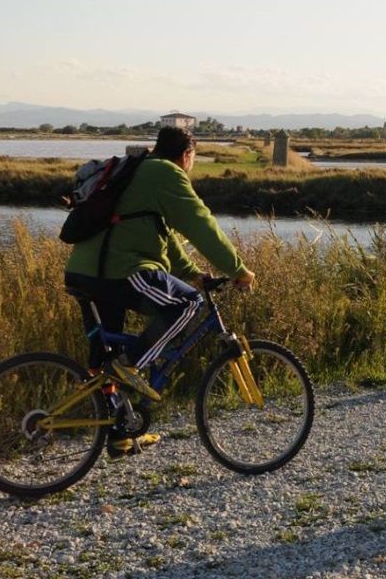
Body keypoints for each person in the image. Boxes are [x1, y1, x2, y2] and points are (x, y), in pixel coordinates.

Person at [63, 126, 255, 456]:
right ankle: (133, 365)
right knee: (188, 304)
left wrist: (193, 273)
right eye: (193, 158)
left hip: (84, 272)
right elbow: (200, 223)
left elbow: (162, 235)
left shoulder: (139, 171)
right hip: (120, 271)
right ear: (187, 156)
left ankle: (120, 434)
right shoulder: (167, 173)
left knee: (105, 357)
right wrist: (239, 269)